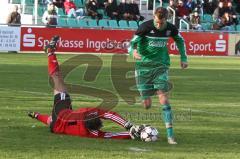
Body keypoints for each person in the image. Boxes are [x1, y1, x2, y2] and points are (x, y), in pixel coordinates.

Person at [28, 36, 143, 140]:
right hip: (55, 128)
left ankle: (50, 51)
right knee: (54, 122)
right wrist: (134, 133)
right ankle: (36, 115)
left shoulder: (85, 113)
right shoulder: (90, 133)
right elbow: (110, 135)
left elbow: (110, 115)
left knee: (57, 79)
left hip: (61, 113)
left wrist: (129, 126)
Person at [128, 7, 188, 144]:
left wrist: (183, 58)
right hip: (143, 67)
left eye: (161, 23)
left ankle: (170, 136)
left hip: (161, 66)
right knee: (146, 105)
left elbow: (180, 40)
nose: (159, 25)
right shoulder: (145, 27)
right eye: (157, 21)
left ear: (166, 19)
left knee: (164, 99)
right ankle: (143, 125)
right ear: (154, 17)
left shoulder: (171, 28)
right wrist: (133, 52)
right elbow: (131, 43)